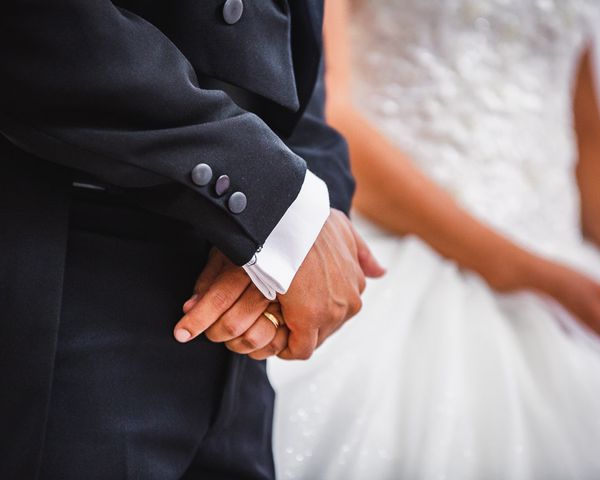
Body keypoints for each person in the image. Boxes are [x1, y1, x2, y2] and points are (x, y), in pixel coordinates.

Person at [0, 1, 383, 479]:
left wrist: (312, 213)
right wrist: (278, 206)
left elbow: (298, 57)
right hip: (61, 287)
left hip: (248, 329)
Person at [269, 1, 600, 478]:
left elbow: (586, 133)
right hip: (402, 250)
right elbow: (324, 105)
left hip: (575, 281)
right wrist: (533, 276)